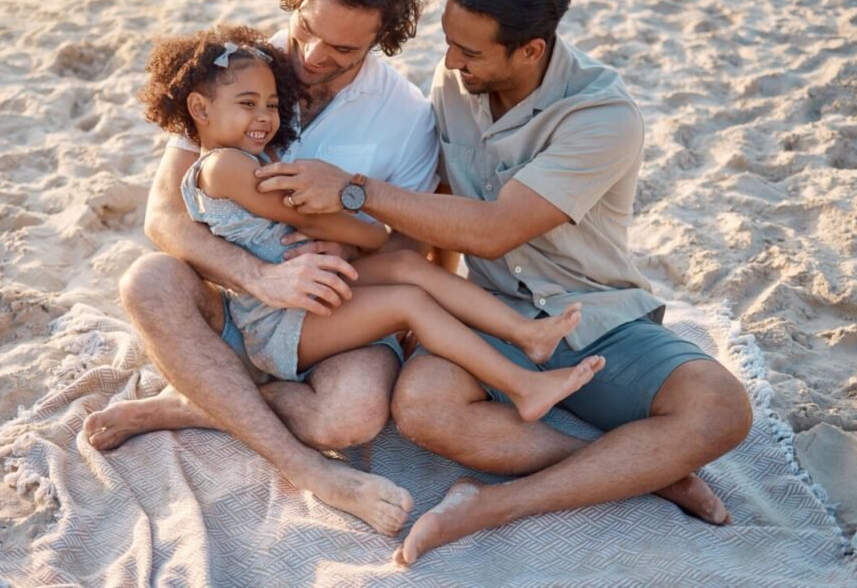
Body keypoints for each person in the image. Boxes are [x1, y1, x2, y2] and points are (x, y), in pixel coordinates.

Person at [254, 0, 754, 564]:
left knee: (721, 409)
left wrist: (352, 191)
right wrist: (419, 302)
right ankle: (644, 469)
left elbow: (493, 230)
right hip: (484, 309)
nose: (450, 60)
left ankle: (491, 505)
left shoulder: (601, 115)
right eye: (447, 40)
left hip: (593, 313)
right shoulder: (455, 79)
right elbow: (434, 203)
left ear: (531, 50)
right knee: (422, 409)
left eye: (468, 50)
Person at [83, 0, 441, 537]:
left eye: (342, 49)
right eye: (306, 28)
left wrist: (346, 241)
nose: (311, 56)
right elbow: (163, 215)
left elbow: (411, 245)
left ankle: (197, 403)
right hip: (231, 297)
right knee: (147, 279)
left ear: (384, 39)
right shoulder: (235, 67)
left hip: (332, 311)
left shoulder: (407, 115)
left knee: (350, 421)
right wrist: (257, 276)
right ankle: (309, 470)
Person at [140, 24, 603, 422]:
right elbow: (315, 221)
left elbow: (323, 225)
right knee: (408, 302)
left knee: (408, 268)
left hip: (315, 283)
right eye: (248, 103)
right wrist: (370, 233)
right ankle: (523, 387)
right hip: (279, 320)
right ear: (200, 110)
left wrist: (362, 233)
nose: (264, 117)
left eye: (271, 104)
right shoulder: (224, 168)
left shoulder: (254, 156)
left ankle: (526, 335)